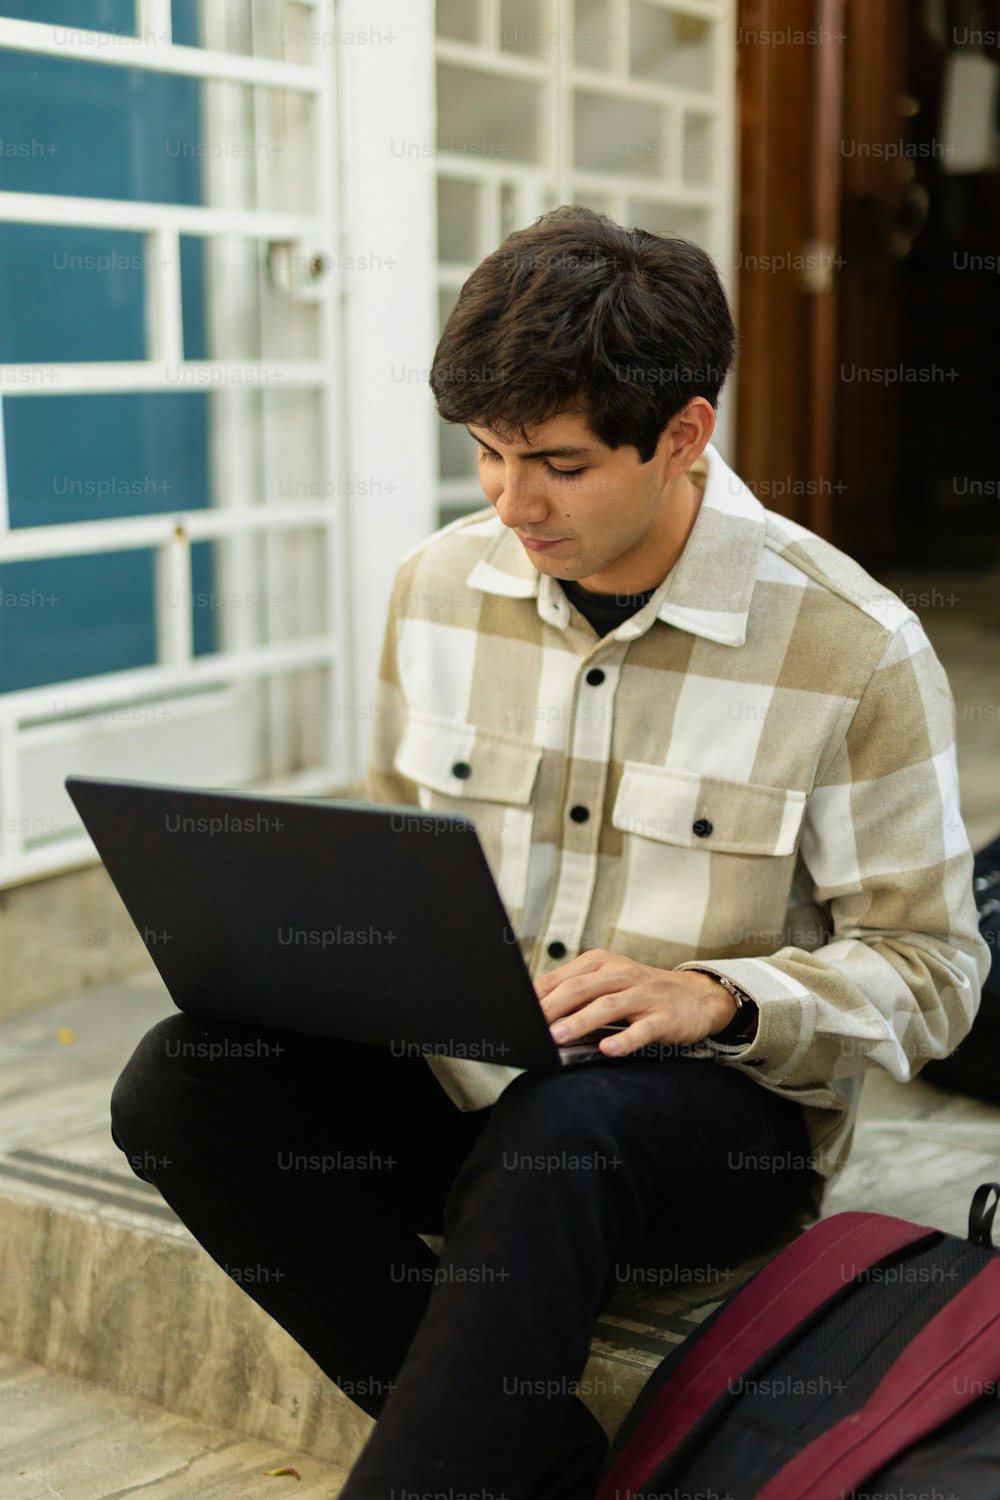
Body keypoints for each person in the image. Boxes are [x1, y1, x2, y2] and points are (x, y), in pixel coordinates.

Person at [109, 205, 990, 1499]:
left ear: (686, 433)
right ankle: (542, 1468)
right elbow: (391, 854)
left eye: (560, 465)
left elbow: (937, 972)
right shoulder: (435, 587)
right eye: (486, 454)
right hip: (472, 1086)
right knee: (184, 1081)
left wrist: (722, 994)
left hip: (699, 1134)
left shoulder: (854, 648)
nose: (512, 501)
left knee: (564, 1128)